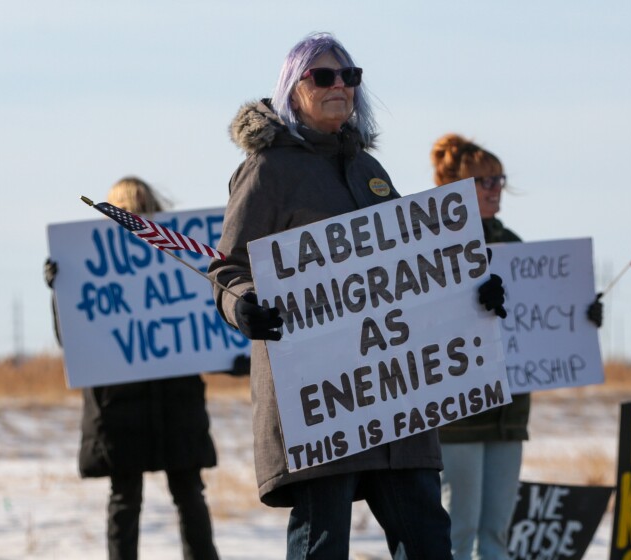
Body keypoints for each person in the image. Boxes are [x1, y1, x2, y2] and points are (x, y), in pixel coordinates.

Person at [207, 32, 506, 559]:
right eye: (323, 76)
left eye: (349, 76)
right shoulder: (267, 170)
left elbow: (411, 271)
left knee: (429, 544)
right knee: (323, 545)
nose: (339, 85)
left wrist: (470, 292)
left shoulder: (369, 170)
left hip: (396, 399)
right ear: (292, 88)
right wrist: (243, 303)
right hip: (321, 403)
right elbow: (229, 268)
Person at [430, 134, 603, 560]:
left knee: (496, 536)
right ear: (456, 189)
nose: (495, 189)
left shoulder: (512, 241)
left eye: (499, 180)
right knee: (458, 532)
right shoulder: (435, 244)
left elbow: (541, 312)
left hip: (509, 411)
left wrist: (582, 316)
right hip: (460, 414)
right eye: (484, 181)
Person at [44, 177, 220, 560]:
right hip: (139, 406)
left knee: (163, 496)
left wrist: (231, 354)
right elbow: (74, 341)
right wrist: (63, 291)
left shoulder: (178, 255)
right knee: (166, 496)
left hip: (150, 404)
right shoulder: (91, 263)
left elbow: (208, 328)